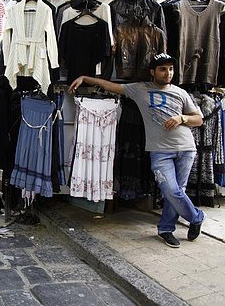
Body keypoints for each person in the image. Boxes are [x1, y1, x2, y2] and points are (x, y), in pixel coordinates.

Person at [69, 53, 205, 248]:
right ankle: (196, 217)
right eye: (163, 69)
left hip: (185, 149)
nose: (168, 73)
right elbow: (110, 86)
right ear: (152, 72)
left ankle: (166, 228)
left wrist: (181, 118)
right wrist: (84, 78)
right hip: (160, 152)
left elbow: (198, 119)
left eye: (171, 69)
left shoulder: (180, 93)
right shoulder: (140, 89)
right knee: (171, 190)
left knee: (175, 192)